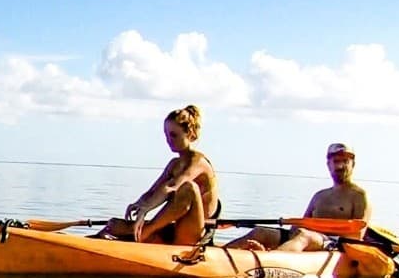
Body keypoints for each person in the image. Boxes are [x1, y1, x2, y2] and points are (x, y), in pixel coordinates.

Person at [95, 105, 220, 245]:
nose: (168, 140)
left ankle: (145, 232)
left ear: (190, 134)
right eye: (166, 135)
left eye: (173, 135)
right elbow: (153, 192)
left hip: (194, 233)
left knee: (189, 188)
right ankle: (137, 233)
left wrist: (147, 209)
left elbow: (172, 186)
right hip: (175, 228)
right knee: (113, 224)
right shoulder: (174, 164)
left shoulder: (198, 162)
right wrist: (139, 204)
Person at [227, 143, 370, 251]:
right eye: (336, 161)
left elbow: (357, 236)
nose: (340, 166)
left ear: (353, 164)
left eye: (345, 161)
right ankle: (214, 255)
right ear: (328, 165)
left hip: (332, 244)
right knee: (260, 232)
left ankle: (272, 259)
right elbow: (302, 223)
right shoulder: (319, 195)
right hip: (307, 236)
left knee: (303, 235)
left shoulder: (359, 195)